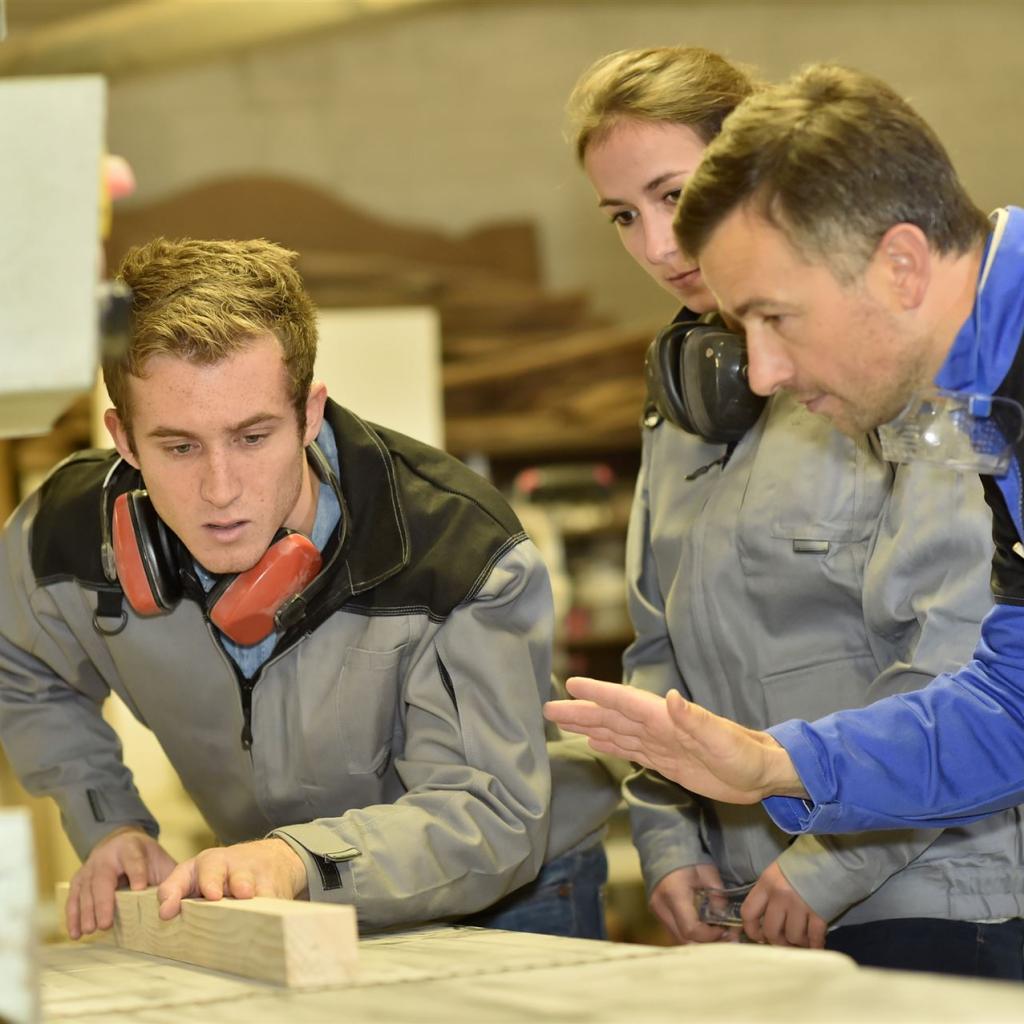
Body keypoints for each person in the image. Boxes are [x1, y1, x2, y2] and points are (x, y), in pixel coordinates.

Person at [554, 46, 1024, 974]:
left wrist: (810, 849)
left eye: (778, 318)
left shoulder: (962, 408)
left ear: (897, 263)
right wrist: (773, 768)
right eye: (624, 215)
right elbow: (1009, 708)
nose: (759, 373)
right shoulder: (982, 408)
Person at [0, 235, 607, 940]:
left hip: (511, 898)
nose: (220, 491)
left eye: (253, 437)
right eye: (179, 447)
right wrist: (106, 820)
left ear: (310, 413)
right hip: (289, 896)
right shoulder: (62, 539)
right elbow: (21, 668)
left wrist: (298, 859)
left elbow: (489, 815)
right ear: (124, 440)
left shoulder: (458, 553)